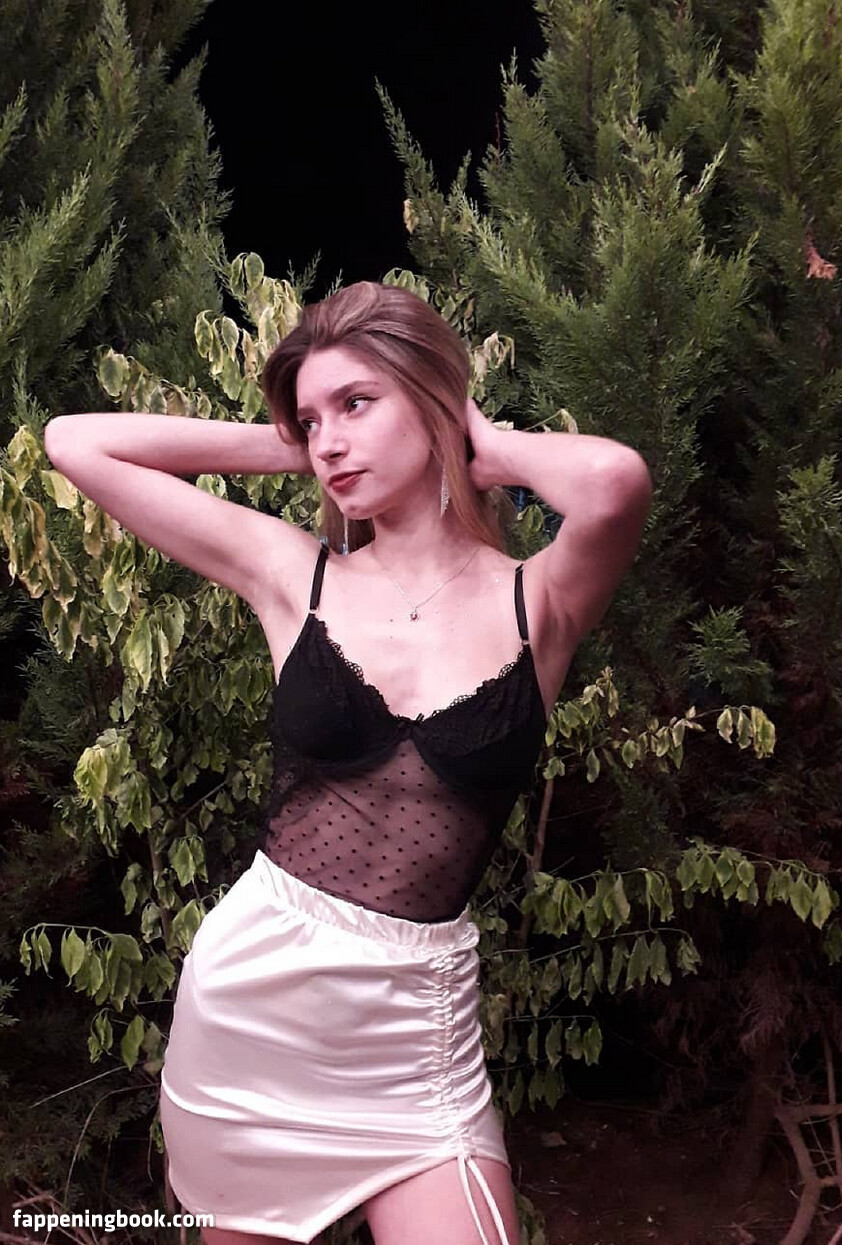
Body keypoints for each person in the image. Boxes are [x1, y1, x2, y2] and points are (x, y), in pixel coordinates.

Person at [44, 281, 652, 1245]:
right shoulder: (293, 574)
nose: (329, 440)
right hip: (248, 1019)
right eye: (313, 418)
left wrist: (487, 449)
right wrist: (289, 443)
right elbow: (75, 442)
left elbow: (614, 481)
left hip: (416, 1046)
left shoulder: (541, 600)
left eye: (356, 403)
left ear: (435, 400)